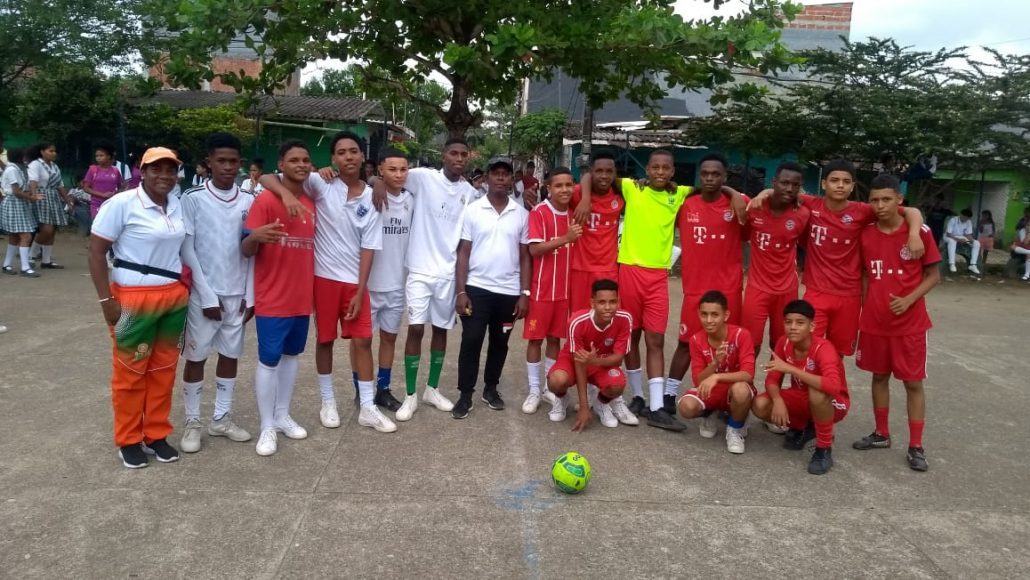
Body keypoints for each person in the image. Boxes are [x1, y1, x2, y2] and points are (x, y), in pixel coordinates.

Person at [261, 132, 395, 433]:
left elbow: (369, 248)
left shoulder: (372, 197)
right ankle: (328, 401)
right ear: (333, 158)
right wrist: (286, 195)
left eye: (353, 151)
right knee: (325, 340)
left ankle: (368, 407)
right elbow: (268, 177)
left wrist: (360, 290)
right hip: (323, 278)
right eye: (341, 152)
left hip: (354, 283)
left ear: (362, 156)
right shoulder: (321, 184)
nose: (348, 156)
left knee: (363, 341)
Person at [747, 159, 925, 358]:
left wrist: (914, 234)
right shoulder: (810, 204)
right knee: (806, 347)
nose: (840, 185)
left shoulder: (863, 211)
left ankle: (832, 379)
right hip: (816, 291)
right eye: (834, 180)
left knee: (836, 353)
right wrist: (762, 194)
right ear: (824, 184)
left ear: (852, 186)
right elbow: (780, 191)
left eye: (846, 181)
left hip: (849, 294)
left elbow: (911, 211)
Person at [576, 150, 693, 431]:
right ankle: (638, 397)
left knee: (655, 339)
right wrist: (585, 198)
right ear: (647, 169)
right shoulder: (631, 187)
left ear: (673, 172)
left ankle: (657, 407)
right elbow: (590, 175)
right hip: (629, 271)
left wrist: (733, 193)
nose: (660, 172)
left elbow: (708, 187)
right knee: (631, 336)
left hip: (658, 276)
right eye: (655, 167)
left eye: (666, 168)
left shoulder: (679, 194)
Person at [88, 147, 189, 469]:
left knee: (163, 369)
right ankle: (129, 439)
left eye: (170, 170)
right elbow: (96, 253)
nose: (164, 176)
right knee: (131, 372)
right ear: (142, 172)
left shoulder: (177, 204)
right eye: (156, 169)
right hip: (133, 298)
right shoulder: (122, 204)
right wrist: (105, 300)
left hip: (172, 298)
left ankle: (155, 434)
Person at [853, 174, 941, 472]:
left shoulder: (919, 232)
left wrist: (909, 299)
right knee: (879, 377)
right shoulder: (865, 233)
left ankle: (916, 445)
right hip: (875, 322)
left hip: (910, 324)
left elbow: (934, 276)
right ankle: (881, 433)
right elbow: (865, 274)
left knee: (912, 383)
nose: (880, 205)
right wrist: (865, 307)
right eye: (875, 200)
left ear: (899, 200)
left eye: (887, 199)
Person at [177, 133, 255, 453]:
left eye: (233, 161)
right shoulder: (192, 198)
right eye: (220, 161)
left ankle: (221, 418)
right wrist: (207, 296)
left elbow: (254, 251)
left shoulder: (249, 200)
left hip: (237, 294)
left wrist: (251, 295)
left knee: (230, 356)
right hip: (204, 296)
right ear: (208, 162)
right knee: (196, 357)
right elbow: (187, 249)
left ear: (240, 163)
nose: (227, 167)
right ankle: (193, 422)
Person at [243, 140, 317, 456]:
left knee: (291, 357)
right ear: (281, 164)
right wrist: (255, 238)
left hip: (301, 297)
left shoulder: (312, 201)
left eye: (305, 160)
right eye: (294, 160)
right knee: (269, 359)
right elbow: (245, 248)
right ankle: (266, 426)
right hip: (272, 297)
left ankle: (282, 415)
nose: (301, 165)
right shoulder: (265, 200)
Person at [665, 153, 747, 412]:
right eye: (705, 174)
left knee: (729, 345)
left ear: (725, 177)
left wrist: (732, 193)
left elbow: (766, 203)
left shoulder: (738, 203)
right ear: (699, 176)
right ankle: (668, 397)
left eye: (716, 174)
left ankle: (727, 400)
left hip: (728, 289)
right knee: (685, 343)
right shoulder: (685, 204)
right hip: (695, 289)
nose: (710, 178)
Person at [453, 156, 530, 419]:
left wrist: (524, 293)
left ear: (511, 180)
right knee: (471, 340)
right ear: (486, 178)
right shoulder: (473, 210)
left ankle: (491, 389)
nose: (500, 177)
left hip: (508, 292)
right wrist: (461, 291)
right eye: (495, 173)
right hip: (477, 288)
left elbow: (525, 256)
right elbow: (464, 252)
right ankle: (465, 394)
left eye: (505, 174)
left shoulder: (521, 214)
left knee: (500, 342)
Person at [752, 299, 850, 475]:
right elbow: (772, 379)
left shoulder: (823, 348)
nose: (793, 327)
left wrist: (791, 369)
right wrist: (777, 400)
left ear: (812, 326)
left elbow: (833, 387)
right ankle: (804, 427)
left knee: (817, 392)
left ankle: (824, 449)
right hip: (803, 397)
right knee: (760, 404)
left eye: (800, 323)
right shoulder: (783, 343)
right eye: (788, 322)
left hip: (835, 402)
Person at [522, 167, 583, 414]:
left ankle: (549, 387)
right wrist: (566, 238)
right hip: (542, 290)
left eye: (569, 185)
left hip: (564, 291)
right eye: (558, 185)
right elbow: (534, 250)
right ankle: (534, 390)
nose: (565, 190)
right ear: (549, 188)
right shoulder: (539, 212)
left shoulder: (574, 213)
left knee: (555, 339)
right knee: (535, 339)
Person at [741, 162, 810, 358]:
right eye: (784, 183)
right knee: (750, 343)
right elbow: (742, 234)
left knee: (781, 344)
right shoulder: (754, 207)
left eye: (795, 185)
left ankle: (775, 379)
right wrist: (764, 194)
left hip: (787, 289)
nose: (789, 188)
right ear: (774, 182)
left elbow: (806, 244)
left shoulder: (803, 214)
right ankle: (745, 378)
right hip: (757, 288)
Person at [546, 279, 634, 430]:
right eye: (602, 302)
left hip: (600, 362)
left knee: (617, 385)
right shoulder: (577, 321)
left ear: (618, 302)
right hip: (574, 361)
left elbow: (619, 357)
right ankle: (562, 398)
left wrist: (594, 361)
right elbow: (579, 362)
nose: (608, 307)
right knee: (556, 381)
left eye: (613, 302)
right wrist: (583, 407)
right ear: (592, 303)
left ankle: (601, 403)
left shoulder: (625, 319)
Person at [678, 290, 756, 454]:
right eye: (704, 314)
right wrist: (714, 363)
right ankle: (710, 413)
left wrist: (717, 376)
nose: (709, 320)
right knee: (686, 407)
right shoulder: (696, 340)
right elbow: (698, 380)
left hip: (734, 389)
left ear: (726, 315)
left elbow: (748, 374)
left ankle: (735, 428)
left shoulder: (742, 335)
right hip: (713, 390)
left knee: (741, 390)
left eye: (715, 315)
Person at [365, 149, 412, 412]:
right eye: (392, 169)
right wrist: (375, 183)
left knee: (389, 339)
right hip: (369, 285)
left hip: (396, 285)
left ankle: (383, 389)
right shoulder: (368, 196)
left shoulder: (411, 199)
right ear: (381, 169)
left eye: (403, 169)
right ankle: (361, 390)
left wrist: (377, 181)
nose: (398, 174)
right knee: (362, 342)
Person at [568, 151, 623, 314]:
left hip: (608, 268)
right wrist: (586, 199)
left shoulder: (621, 196)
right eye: (599, 171)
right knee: (579, 317)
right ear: (591, 171)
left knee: (606, 316)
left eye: (609, 171)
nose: (604, 176)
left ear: (615, 173)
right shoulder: (577, 193)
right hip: (580, 268)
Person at [27, 143, 74, 269]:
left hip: (53, 197)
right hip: (41, 196)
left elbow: (60, 185)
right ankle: (31, 255)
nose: (54, 153)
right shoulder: (35, 164)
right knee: (46, 229)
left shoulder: (54, 166)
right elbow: (33, 181)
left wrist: (68, 201)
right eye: (50, 151)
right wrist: (34, 195)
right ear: (42, 152)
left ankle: (46, 261)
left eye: (54, 151)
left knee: (52, 231)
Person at [1, 148, 41, 277]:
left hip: (17, 203)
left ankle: (7, 265)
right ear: (20, 157)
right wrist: (31, 198)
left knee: (14, 236)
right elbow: (16, 192)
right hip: (14, 204)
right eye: (24, 157)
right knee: (26, 236)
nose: (26, 159)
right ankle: (25, 268)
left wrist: (31, 195)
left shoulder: (17, 169)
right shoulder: (12, 170)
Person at [82, 143, 124, 220]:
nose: (98, 158)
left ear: (108, 156)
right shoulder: (92, 169)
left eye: (101, 156)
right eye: (97, 156)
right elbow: (86, 188)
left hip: (111, 203)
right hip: (96, 204)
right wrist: (102, 195)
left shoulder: (115, 171)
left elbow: (121, 187)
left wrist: (115, 194)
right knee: (97, 223)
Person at [944, 208, 981, 275]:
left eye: (968, 218)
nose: (966, 220)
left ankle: (973, 264)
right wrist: (958, 240)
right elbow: (948, 234)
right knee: (952, 242)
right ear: (961, 215)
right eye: (965, 217)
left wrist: (971, 240)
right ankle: (952, 263)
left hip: (961, 237)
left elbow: (968, 234)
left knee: (976, 243)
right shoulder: (953, 220)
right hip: (949, 236)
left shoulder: (968, 221)